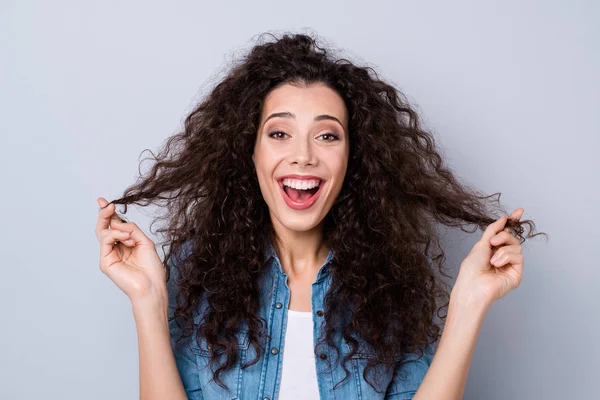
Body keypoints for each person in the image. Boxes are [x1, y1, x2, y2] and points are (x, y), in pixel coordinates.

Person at [94, 32, 544, 400]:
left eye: (327, 135)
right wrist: (148, 300)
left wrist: (469, 303)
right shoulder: (197, 272)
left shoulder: (393, 280)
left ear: (354, 157)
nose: (303, 156)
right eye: (280, 132)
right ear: (248, 152)